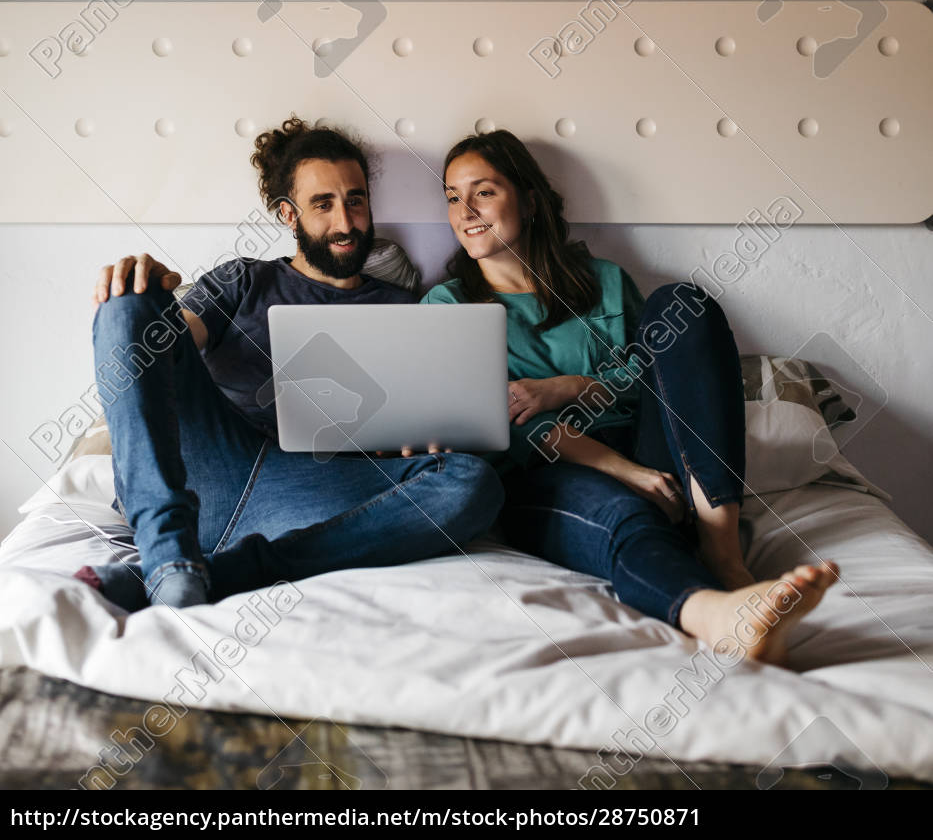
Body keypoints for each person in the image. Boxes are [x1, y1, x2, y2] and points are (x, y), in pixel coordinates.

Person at [422, 129, 839, 667]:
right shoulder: (448, 305)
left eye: (483, 191)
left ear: (526, 198)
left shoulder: (606, 281)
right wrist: (626, 472)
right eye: (452, 196)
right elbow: (503, 422)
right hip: (547, 470)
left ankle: (724, 549)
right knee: (624, 515)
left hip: (651, 447)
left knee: (680, 303)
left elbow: (660, 378)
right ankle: (719, 615)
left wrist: (571, 387)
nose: (465, 210)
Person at [76, 117, 503, 611]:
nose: (345, 223)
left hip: (311, 491)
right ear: (288, 214)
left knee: (473, 482)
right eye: (323, 204)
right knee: (128, 302)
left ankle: (198, 572)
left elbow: (426, 427)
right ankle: (165, 545)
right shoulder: (243, 280)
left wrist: (415, 443)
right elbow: (170, 348)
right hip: (209, 469)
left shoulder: (407, 308)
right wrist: (150, 299)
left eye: (356, 200)